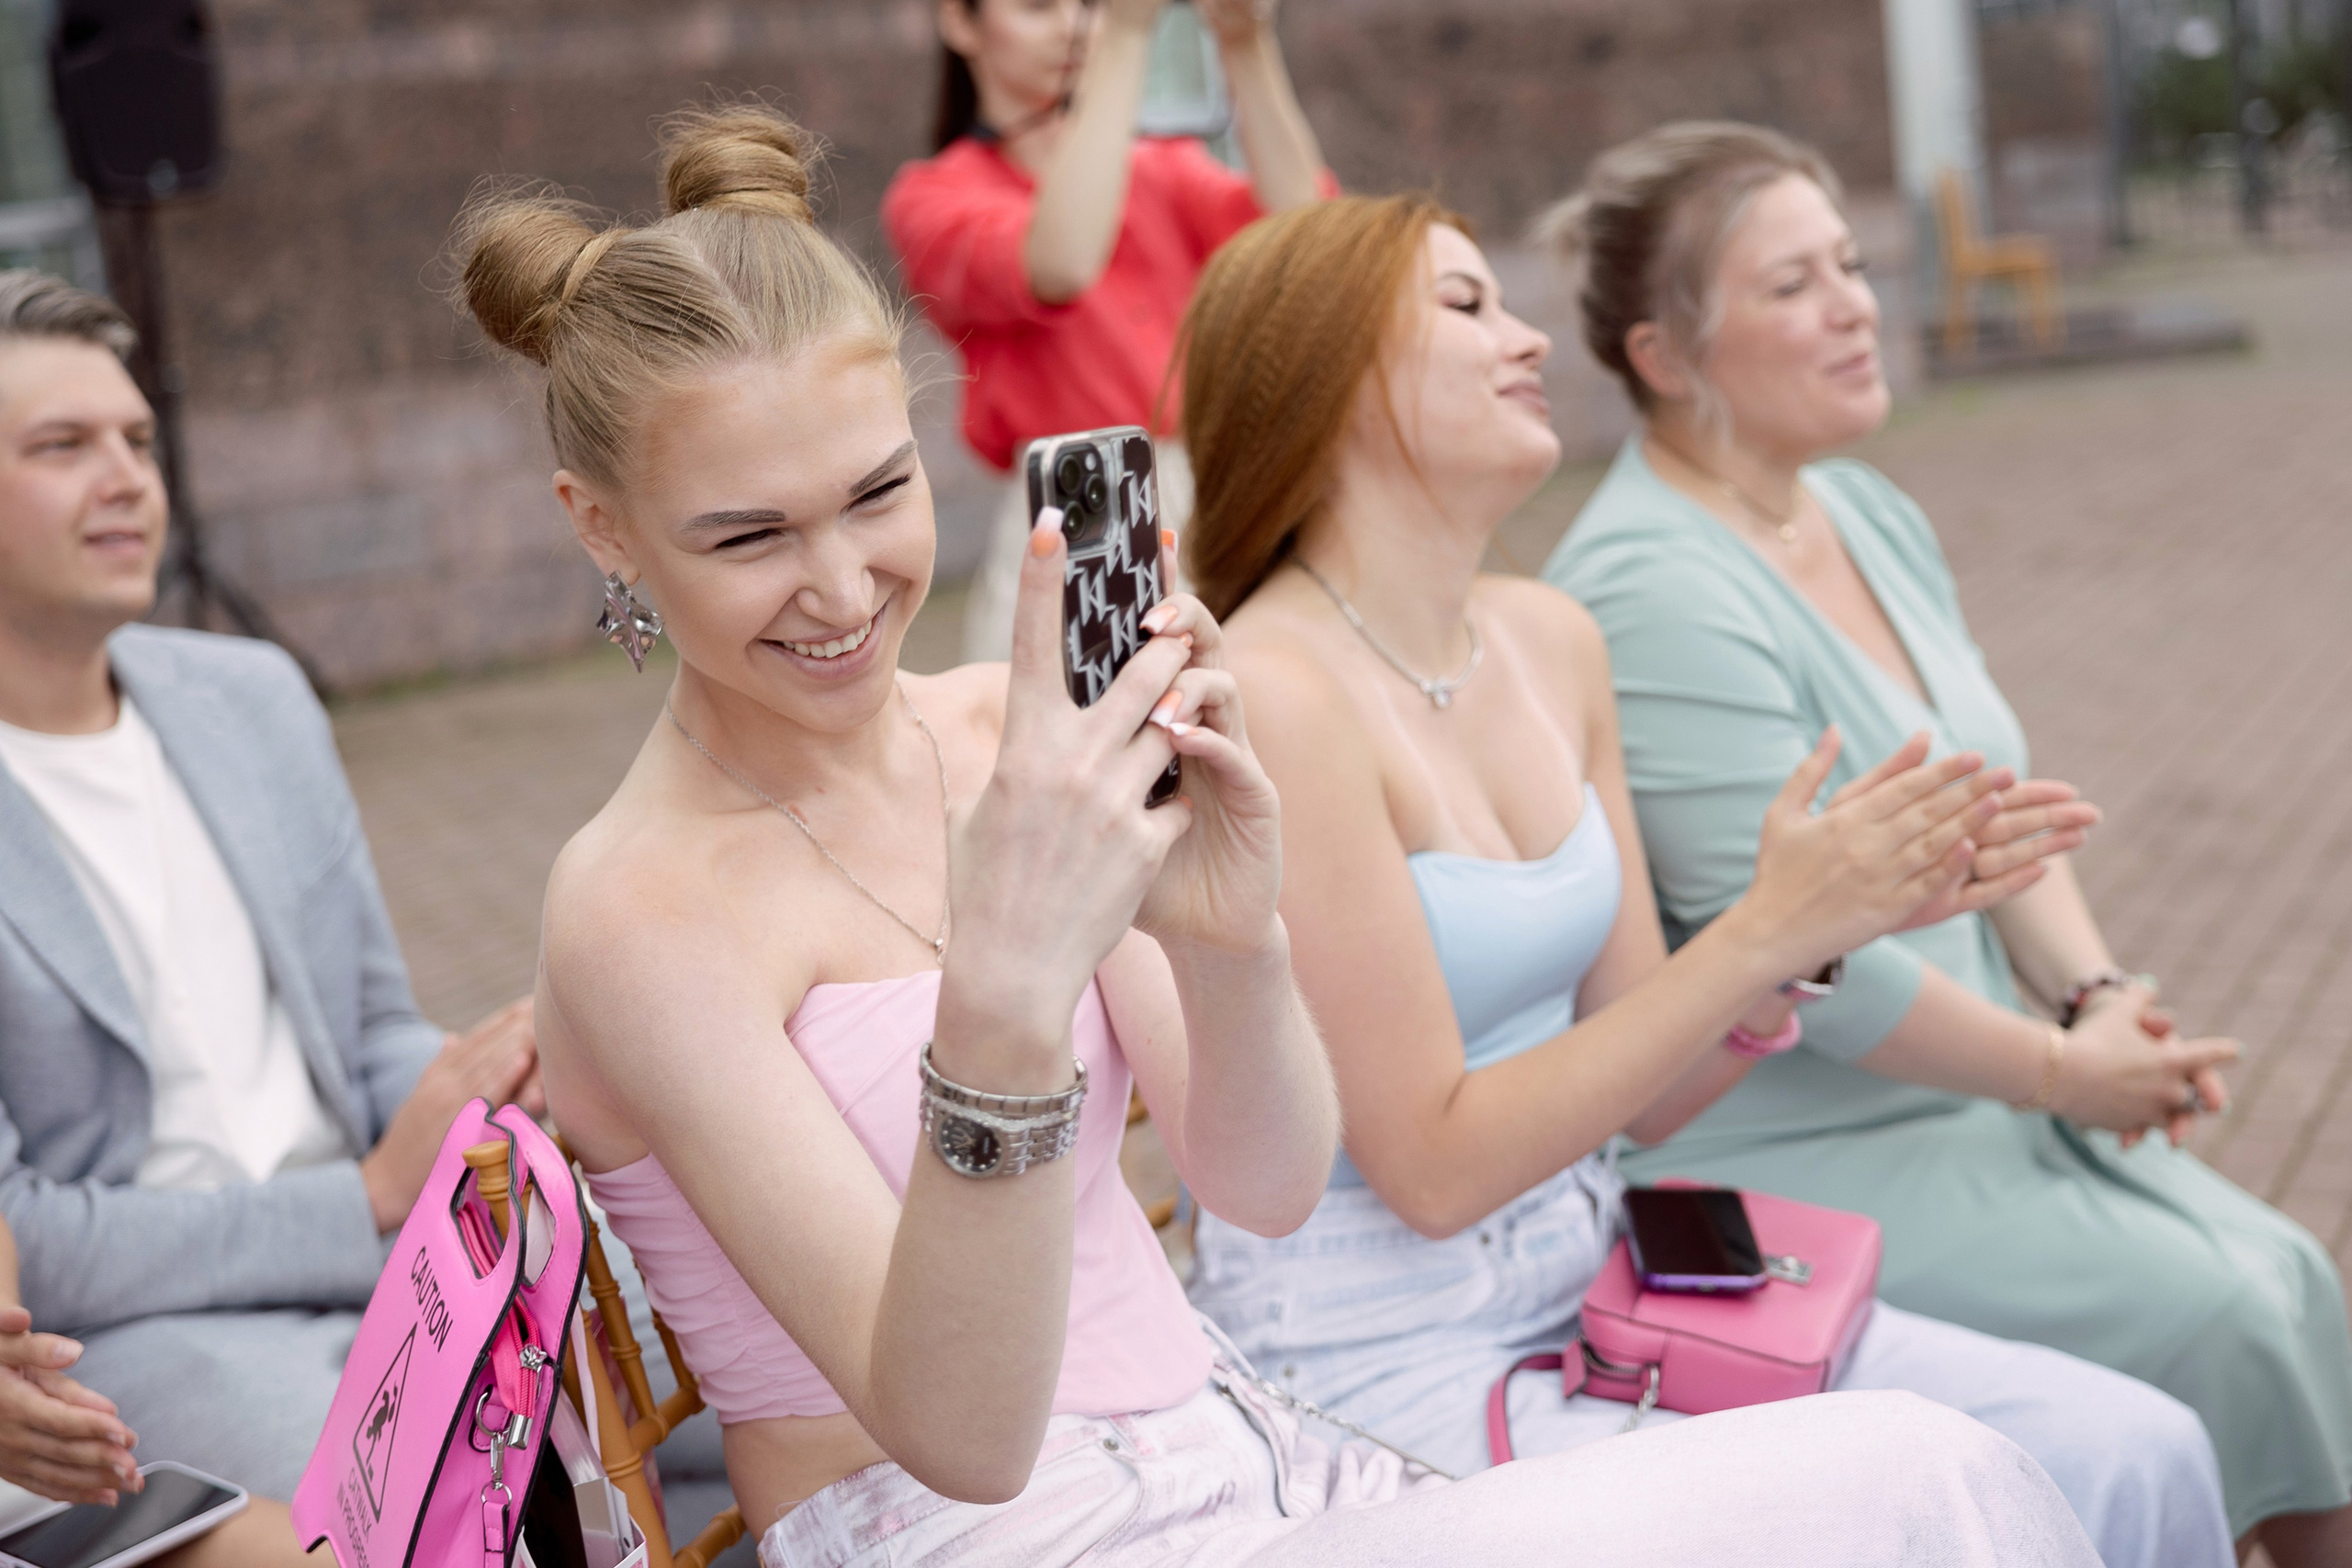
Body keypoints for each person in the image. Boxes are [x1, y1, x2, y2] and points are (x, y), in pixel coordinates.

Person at [463, 104, 2104, 1566]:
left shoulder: (998, 726)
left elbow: (1258, 1183)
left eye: (879, 496)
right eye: (746, 535)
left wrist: (1231, 931)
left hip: (1248, 1457)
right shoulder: (634, 904)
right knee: (1909, 1483)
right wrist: (1014, 997)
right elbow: (959, 1432)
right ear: (599, 528)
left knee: (1924, 1484)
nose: (838, 590)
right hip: (963, 1525)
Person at [1171, 191, 2236, 1568]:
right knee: (1939, 1496)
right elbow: (1432, 1167)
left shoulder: (1549, 639)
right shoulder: (1277, 688)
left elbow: (1653, 1090)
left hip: (1609, 1283)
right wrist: (1760, 930)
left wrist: (1819, 931)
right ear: (1328, 378)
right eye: (1467, 306)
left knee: (2145, 1448)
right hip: (1383, 1351)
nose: (1531, 339)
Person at [1536, 122, 2352, 1563]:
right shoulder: (1644, 583)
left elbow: (2002, 807)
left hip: (1989, 1091)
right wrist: (2058, 1073)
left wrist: (2099, 1002)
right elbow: (1797, 955)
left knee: (2291, 1272)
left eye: (1850, 262)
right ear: (1665, 355)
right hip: (1803, 1141)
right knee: (2222, 1306)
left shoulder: (1863, 507)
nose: (1857, 302)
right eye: (1794, 284)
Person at [0, 268, 541, 1560]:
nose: (127, 476)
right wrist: (360, 1196)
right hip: (165, 1334)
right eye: (61, 447)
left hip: (404, 1250)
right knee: (422, 1519)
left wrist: (476, 1110)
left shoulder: (250, 696)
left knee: (734, 1355)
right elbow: (27, 1237)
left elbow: (369, 1029)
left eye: (136, 438)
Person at [883, 0, 1328, 661]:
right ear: (960, 21)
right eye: (1037, 6)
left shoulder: (1162, 166)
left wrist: (1246, 43)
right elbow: (1059, 262)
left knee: (1256, 730)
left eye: (1090, 5)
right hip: (1080, 503)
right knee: (1089, 744)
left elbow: (1309, 241)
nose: (1072, 25)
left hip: (1212, 485)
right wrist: (1122, 36)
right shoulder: (933, 197)